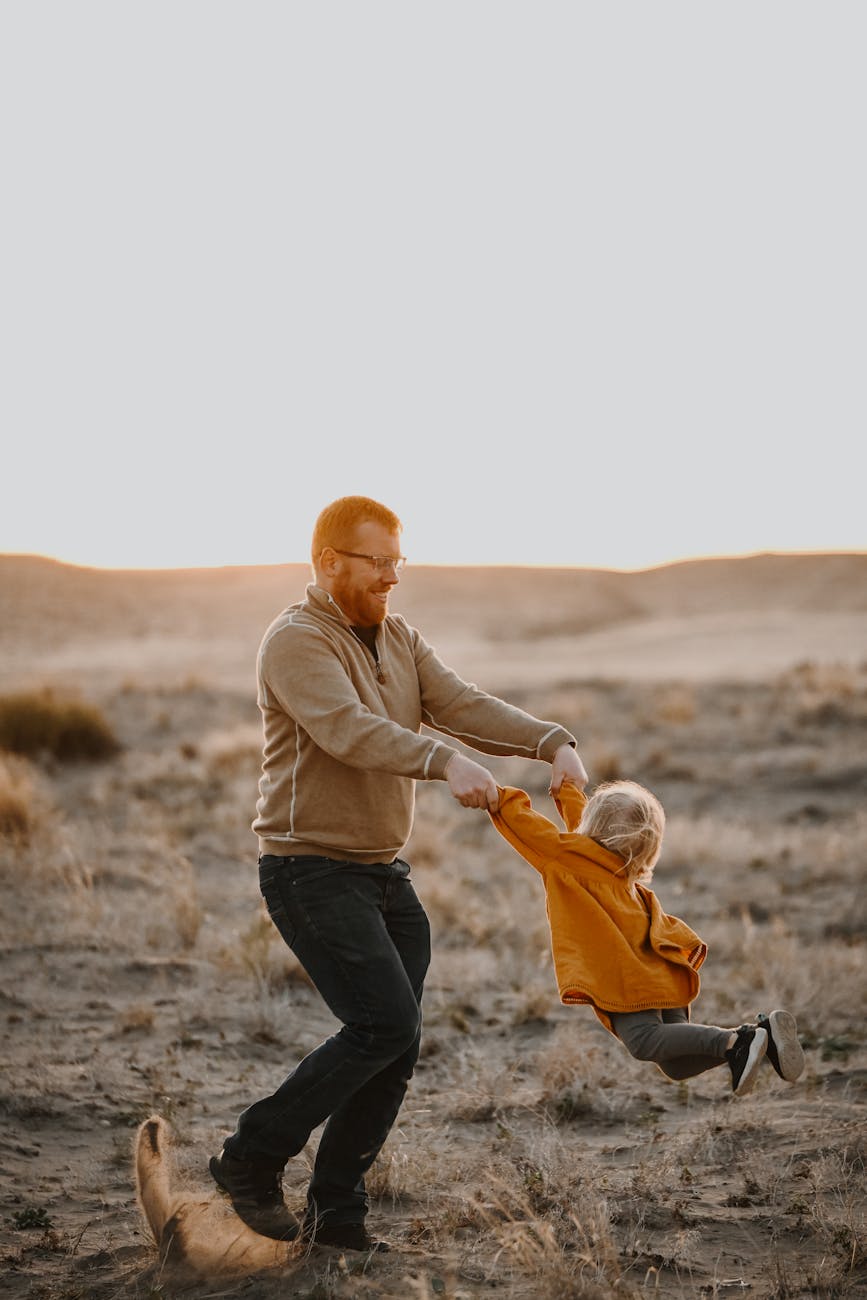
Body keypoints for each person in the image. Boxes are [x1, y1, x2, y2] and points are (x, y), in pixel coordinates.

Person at [209, 495, 587, 1252]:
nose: (391, 578)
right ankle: (248, 1159)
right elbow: (348, 731)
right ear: (329, 562)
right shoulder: (294, 641)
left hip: (383, 874)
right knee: (384, 1022)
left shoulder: (399, 636)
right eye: (377, 562)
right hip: (307, 870)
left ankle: (336, 1220)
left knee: (395, 1041)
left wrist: (551, 742)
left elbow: (459, 703)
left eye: (396, 563)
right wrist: (440, 761)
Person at [488, 778, 806, 1095]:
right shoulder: (618, 863)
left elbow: (528, 828)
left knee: (643, 1041)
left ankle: (736, 1042)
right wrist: (566, 788)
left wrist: (496, 795)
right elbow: (584, 827)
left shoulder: (569, 859)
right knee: (676, 1065)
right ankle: (759, 1037)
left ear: (593, 827)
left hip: (629, 976)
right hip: (660, 965)